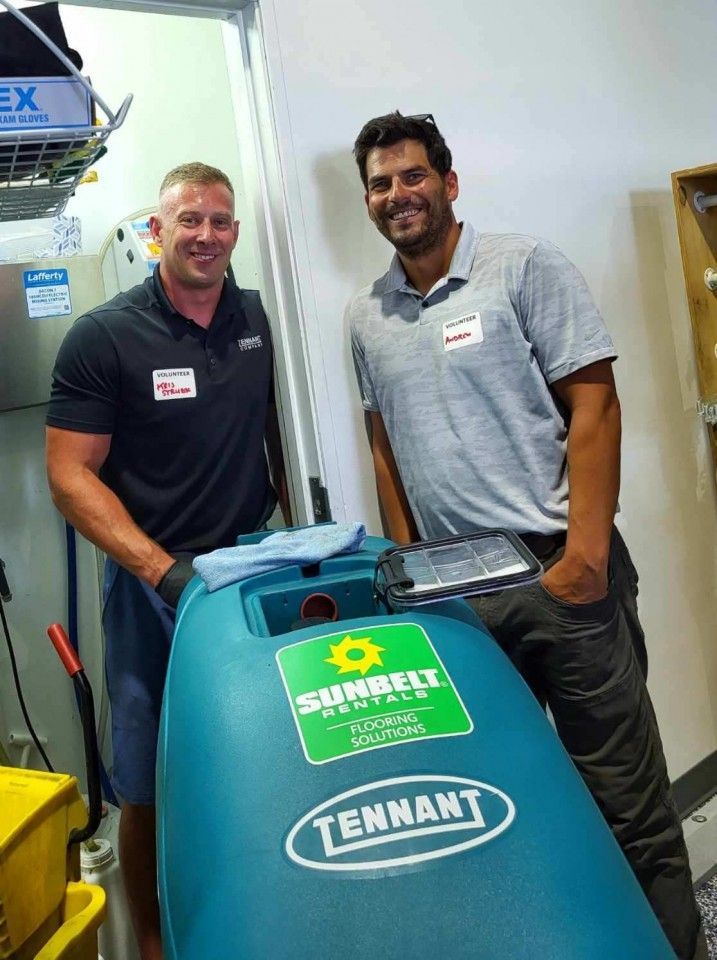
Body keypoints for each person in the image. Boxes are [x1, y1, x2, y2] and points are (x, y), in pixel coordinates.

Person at [347, 112, 705, 960]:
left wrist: (582, 559)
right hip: (453, 603)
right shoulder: (366, 314)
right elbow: (385, 446)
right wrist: (406, 568)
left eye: (411, 175)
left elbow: (595, 405)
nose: (397, 194)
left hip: (558, 577)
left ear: (448, 181)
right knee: (499, 804)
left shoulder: (523, 266)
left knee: (626, 807)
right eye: (379, 182)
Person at [46, 162, 289, 960]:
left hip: (251, 574)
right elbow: (69, 474)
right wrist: (161, 571)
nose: (206, 236)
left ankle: (264, 918)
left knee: (261, 748)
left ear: (235, 235)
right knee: (145, 776)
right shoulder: (106, 334)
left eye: (221, 222)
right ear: (159, 230)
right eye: (190, 220)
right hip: (155, 587)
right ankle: (153, 943)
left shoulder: (258, 317)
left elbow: (277, 436)